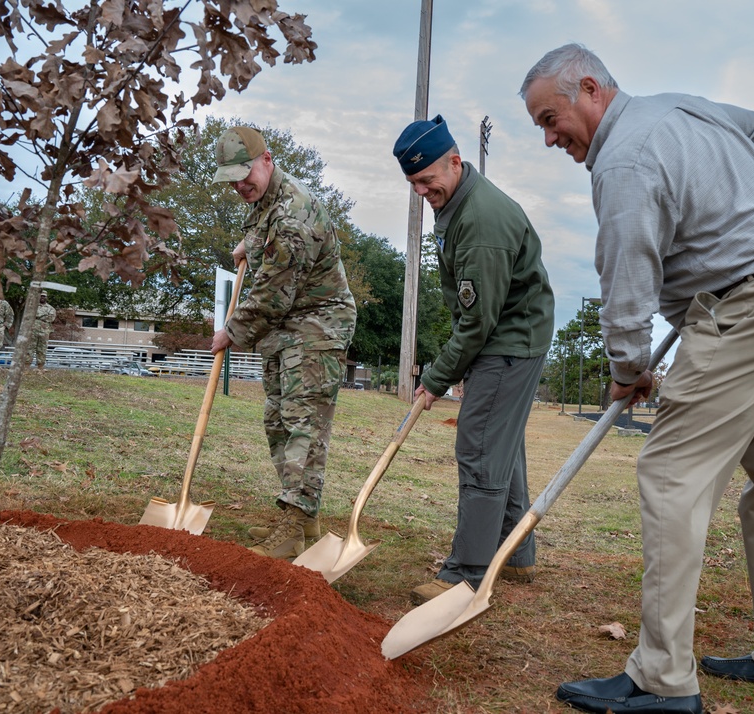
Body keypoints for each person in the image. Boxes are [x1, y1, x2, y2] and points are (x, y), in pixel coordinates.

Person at [520, 44, 754, 713]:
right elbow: (753, 125)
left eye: (551, 120)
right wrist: (745, 204)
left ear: (588, 88)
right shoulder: (681, 110)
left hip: (751, 305)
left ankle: (662, 679)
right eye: (542, 128)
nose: (551, 139)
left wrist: (627, 371)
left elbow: (626, 275)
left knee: (669, 475)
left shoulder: (624, 160)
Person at [392, 115, 555, 604]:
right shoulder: (460, 205)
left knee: (480, 447)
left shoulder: (482, 221)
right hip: (508, 336)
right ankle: (517, 556)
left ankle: (466, 573)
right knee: (502, 447)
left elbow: (477, 321)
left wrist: (437, 378)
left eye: (427, 180)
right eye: (413, 184)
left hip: (509, 341)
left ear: (456, 162)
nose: (422, 190)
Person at [208, 126, 357, 560]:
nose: (240, 185)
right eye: (231, 178)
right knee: (277, 419)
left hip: (317, 325)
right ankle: (303, 515)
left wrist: (232, 332)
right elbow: (264, 239)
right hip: (285, 327)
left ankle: (294, 522)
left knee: (302, 423)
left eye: (245, 174)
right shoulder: (265, 200)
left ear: (267, 159)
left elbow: (273, 290)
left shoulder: (295, 212)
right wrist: (247, 244)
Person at [26, 291, 56, 370]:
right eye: (41, 296)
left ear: (46, 297)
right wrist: (43, 316)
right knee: (29, 349)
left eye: (44, 296)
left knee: (42, 349)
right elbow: (29, 316)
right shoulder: (32, 306)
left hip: (44, 332)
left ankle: (40, 367)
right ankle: (26, 366)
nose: (42, 297)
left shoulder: (51, 308)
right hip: (32, 330)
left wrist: (37, 316)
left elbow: (51, 318)